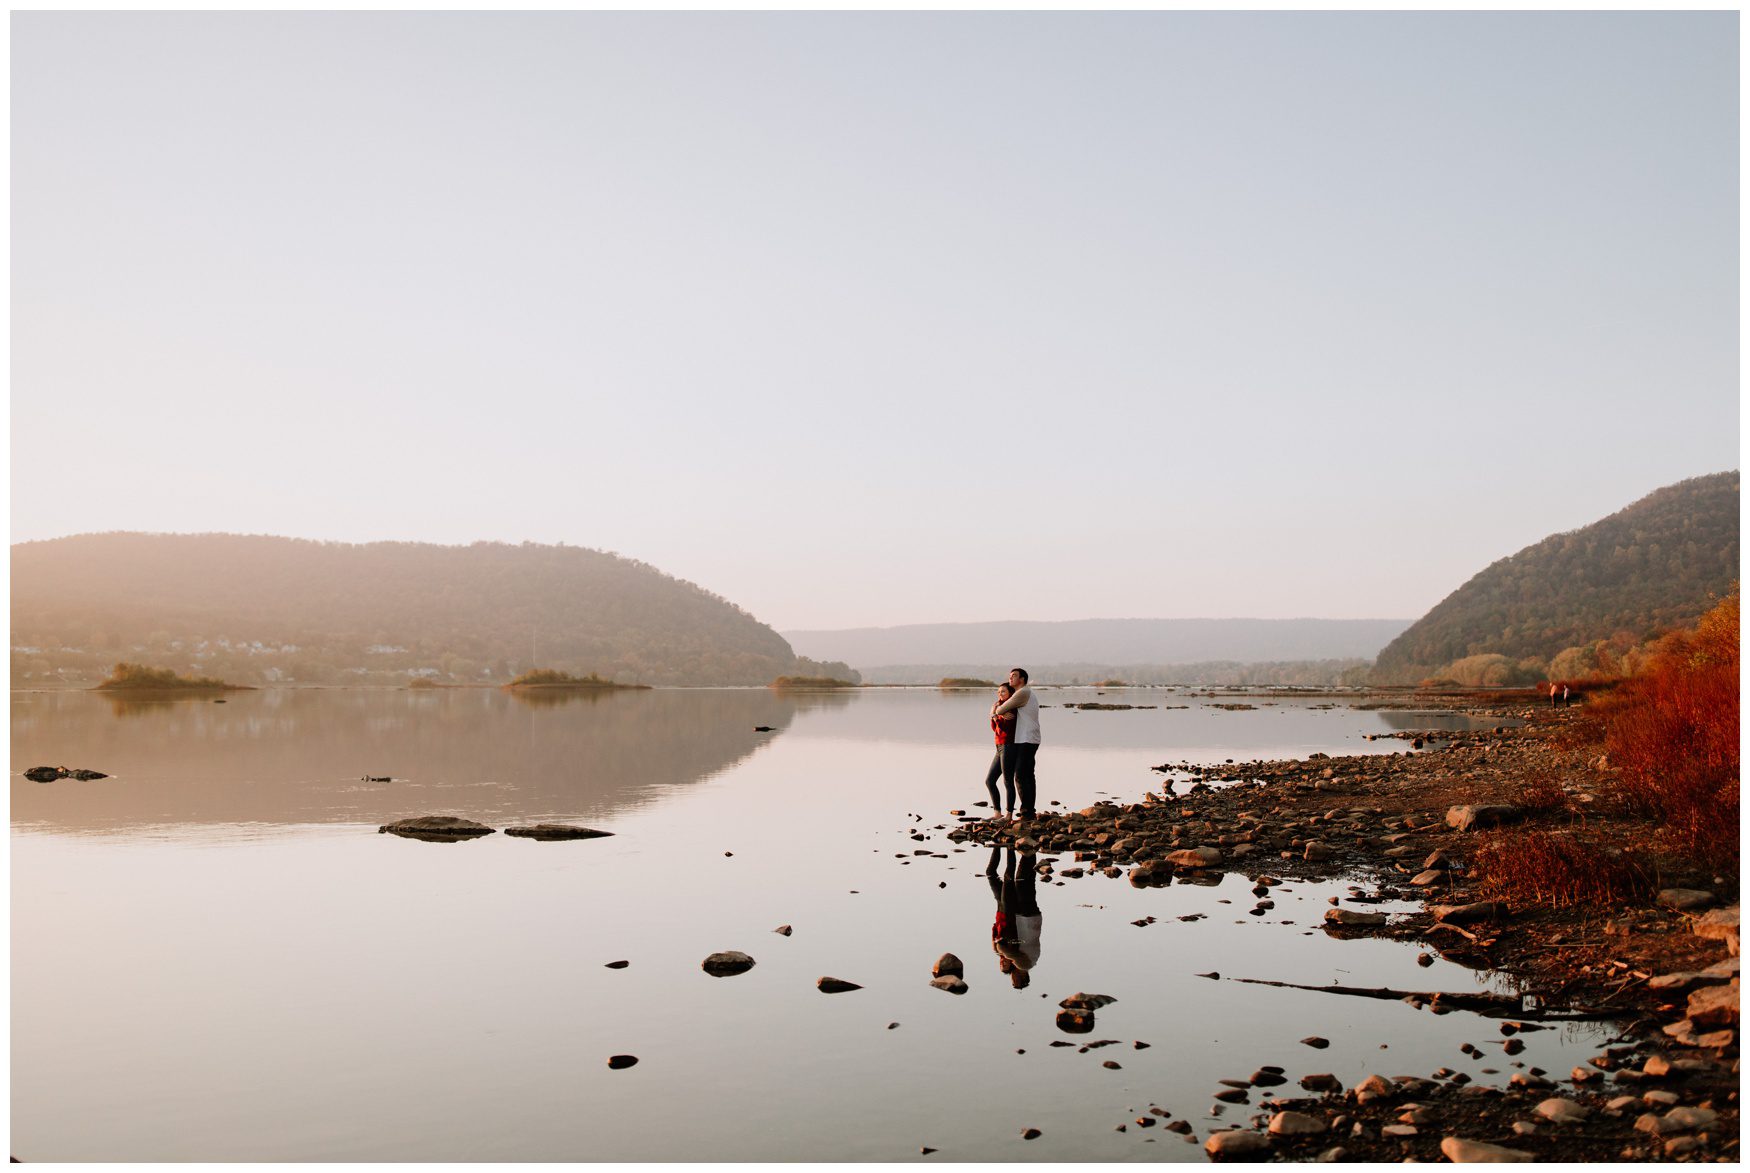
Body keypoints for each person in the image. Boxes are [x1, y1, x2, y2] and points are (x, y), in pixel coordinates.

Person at [987, 845, 1042, 988]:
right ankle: (1027, 849)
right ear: (1023, 977)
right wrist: (997, 949)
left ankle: (1027, 850)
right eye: (1015, 980)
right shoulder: (1024, 965)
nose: (1012, 976)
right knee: (1023, 883)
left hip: (1025, 918)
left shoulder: (1026, 962)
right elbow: (1007, 951)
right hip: (1027, 917)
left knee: (1024, 882)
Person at [990, 667, 1041, 820]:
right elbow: (999, 711)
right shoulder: (1022, 693)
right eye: (1010, 676)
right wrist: (997, 711)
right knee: (1027, 775)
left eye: (1014, 676)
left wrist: (996, 710)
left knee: (1020, 775)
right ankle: (1029, 811)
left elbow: (1001, 709)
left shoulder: (1023, 692)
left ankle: (1027, 813)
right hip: (1026, 738)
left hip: (1027, 738)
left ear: (1022, 679)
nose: (1010, 678)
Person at [983, 682, 1018, 818]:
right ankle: (997, 813)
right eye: (999, 692)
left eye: (1003, 692)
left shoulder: (1011, 707)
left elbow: (1006, 727)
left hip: (1009, 746)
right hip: (999, 746)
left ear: (1010, 693)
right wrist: (995, 715)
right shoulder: (998, 707)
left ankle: (1009, 814)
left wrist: (995, 715)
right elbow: (995, 728)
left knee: (1008, 780)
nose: (1000, 694)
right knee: (989, 781)